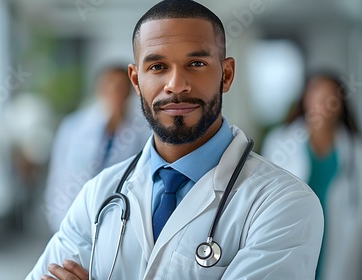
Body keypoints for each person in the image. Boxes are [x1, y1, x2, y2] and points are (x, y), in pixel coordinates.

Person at [27, 1, 323, 279]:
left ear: (227, 75)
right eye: (157, 67)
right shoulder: (99, 196)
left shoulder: (283, 203)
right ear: (136, 81)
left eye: (196, 63)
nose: (176, 85)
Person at [261, 72, 362, 280]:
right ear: (305, 100)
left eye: (330, 98)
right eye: (317, 96)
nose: (323, 105)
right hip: (294, 230)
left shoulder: (356, 151)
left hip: (339, 238)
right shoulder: (280, 142)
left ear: (340, 105)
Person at [43, 65, 151, 232]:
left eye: (120, 86)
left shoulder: (142, 131)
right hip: (74, 215)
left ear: (130, 90)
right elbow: (59, 176)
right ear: (98, 88)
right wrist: (58, 219)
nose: (114, 91)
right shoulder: (74, 126)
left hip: (118, 220)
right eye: (108, 84)